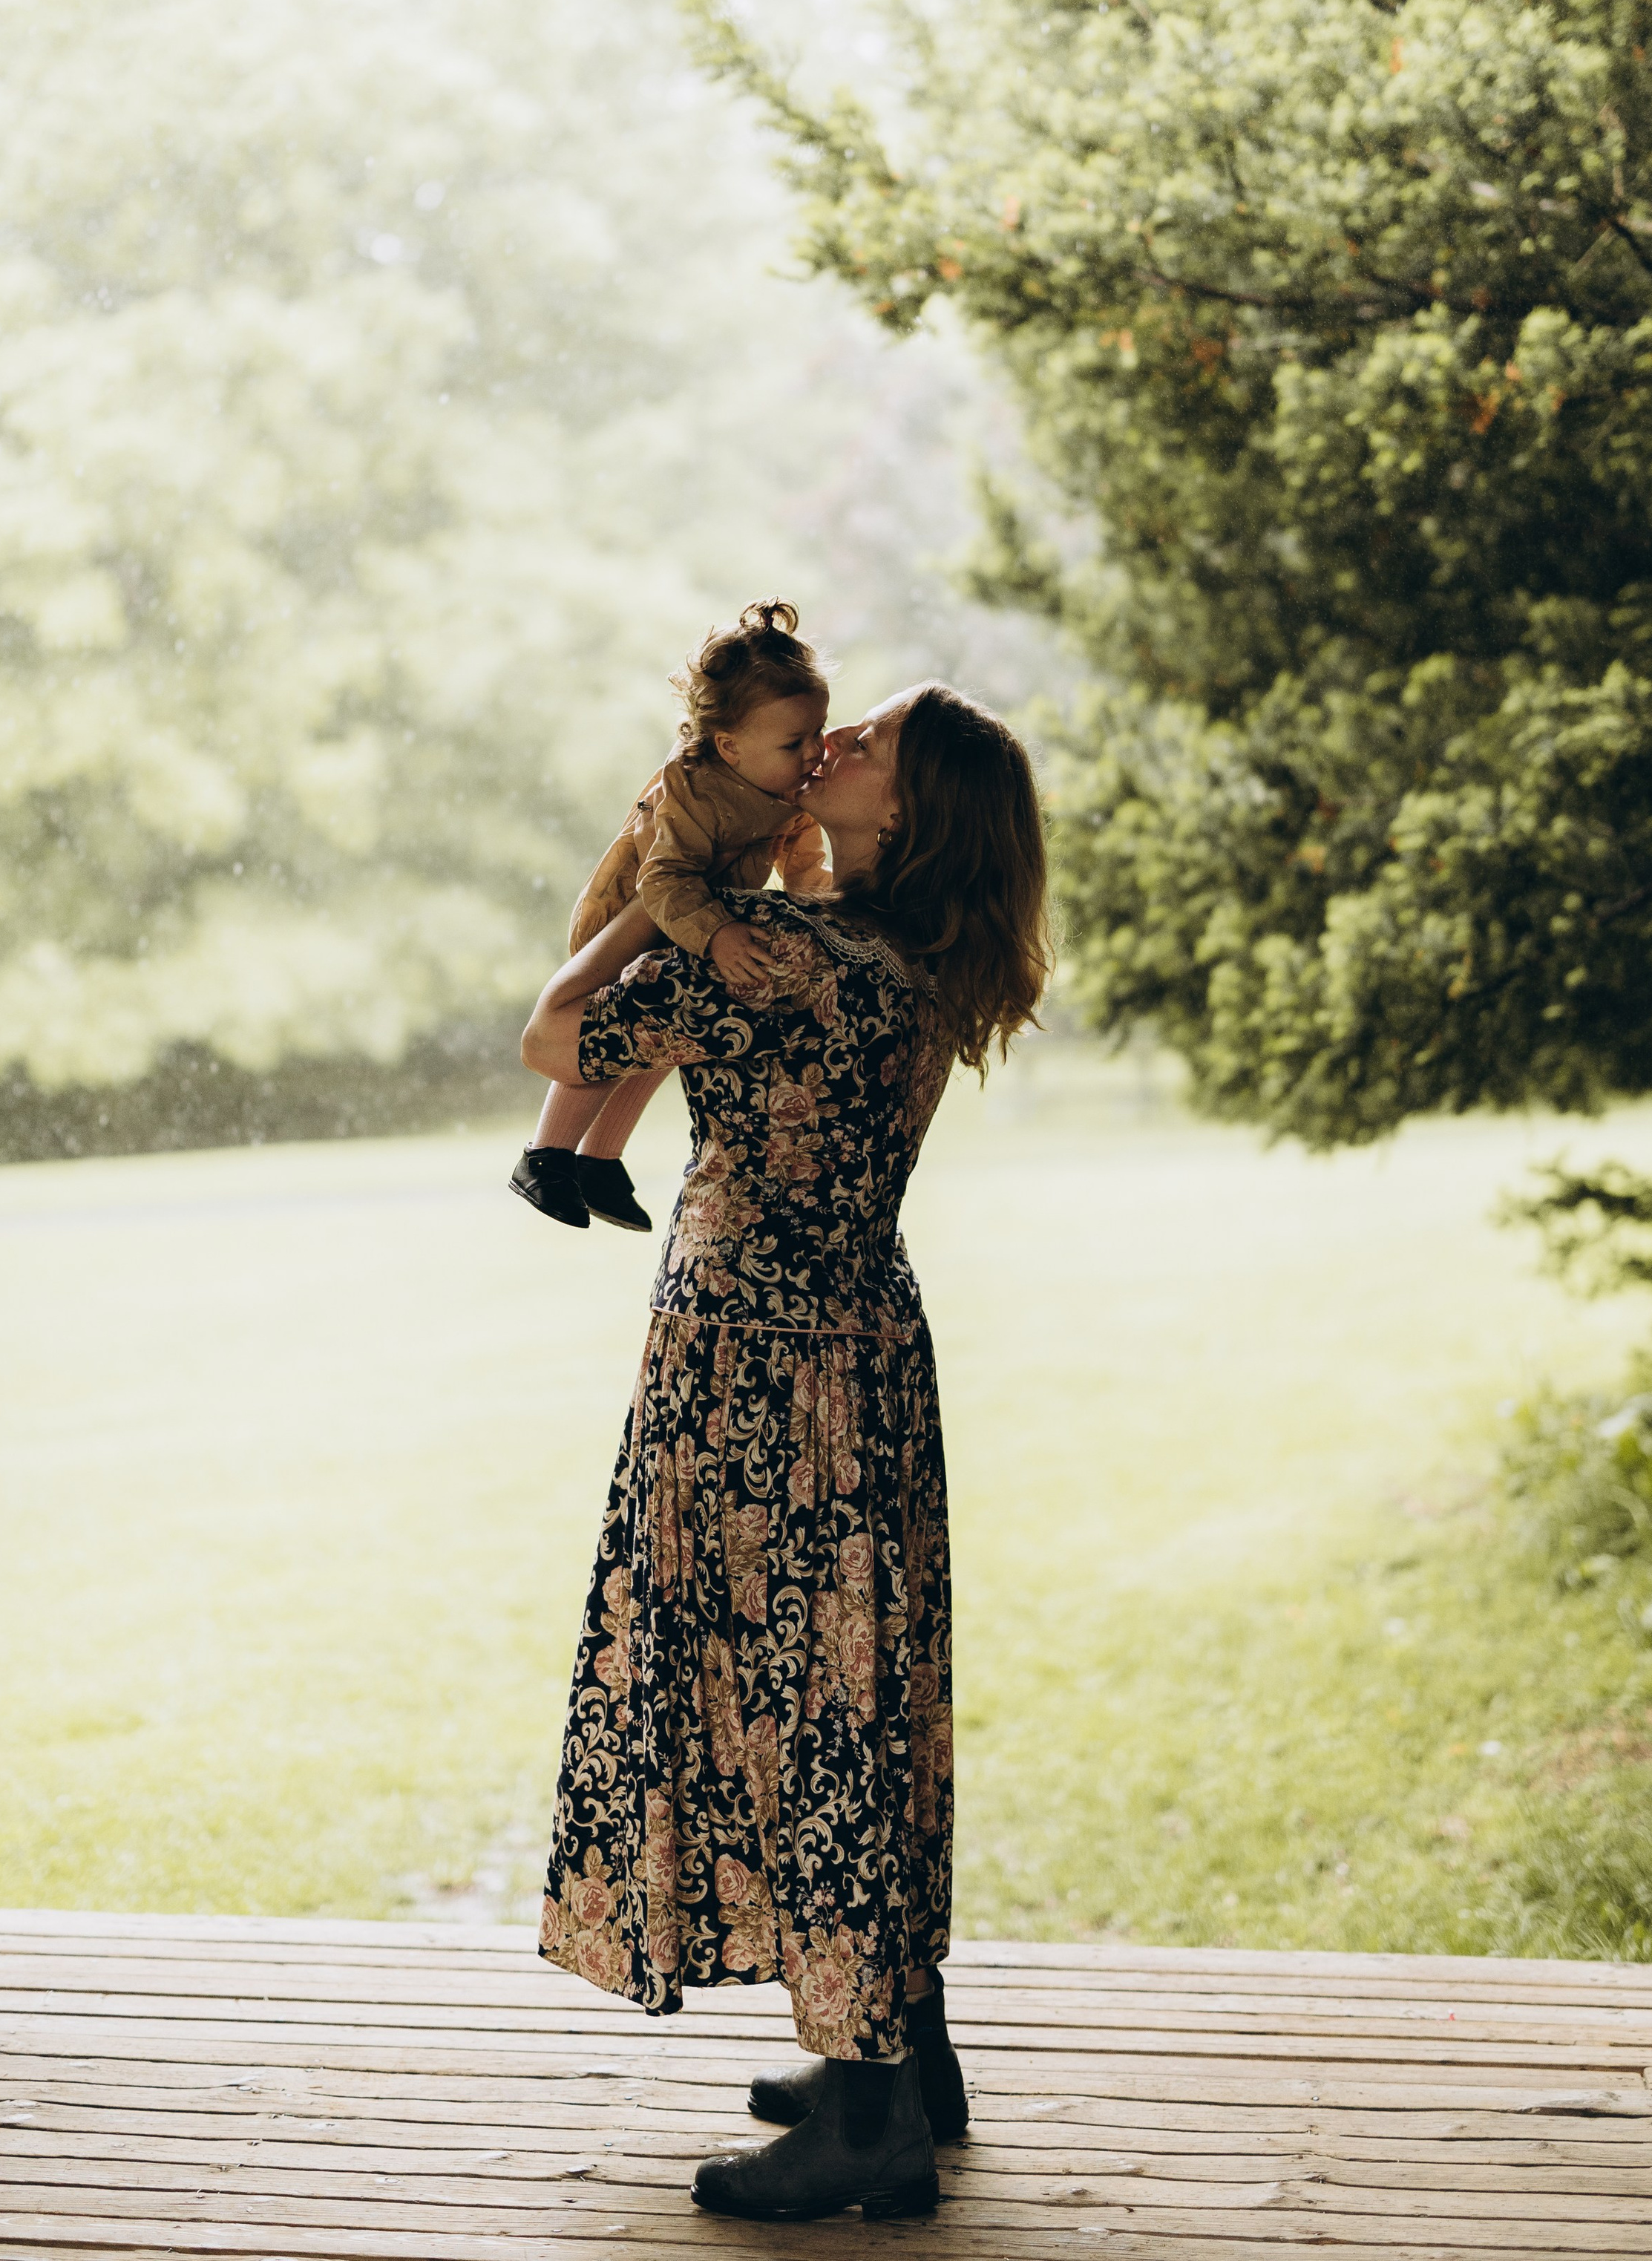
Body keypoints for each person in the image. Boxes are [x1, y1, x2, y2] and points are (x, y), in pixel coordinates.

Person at [521, 683, 1053, 2223]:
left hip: (755, 1372)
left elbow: (549, 1033)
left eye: (866, 743)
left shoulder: (791, 959)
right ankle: (901, 2050)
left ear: (906, 811)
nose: (831, 747)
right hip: (861, 1355)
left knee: (804, 1711)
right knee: (858, 1694)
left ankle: (873, 2118)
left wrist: (655, 900)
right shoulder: (912, 957)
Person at [509, 599, 830, 1234]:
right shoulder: (693, 787)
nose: (815, 752)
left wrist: (814, 911)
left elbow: (803, 856)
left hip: (696, 928)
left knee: (664, 1039)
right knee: (610, 1033)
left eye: (820, 732)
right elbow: (663, 876)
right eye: (796, 742)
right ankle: (545, 1154)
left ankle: (600, 1159)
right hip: (638, 913)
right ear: (729, 745)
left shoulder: (786, 789)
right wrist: (716, 932)